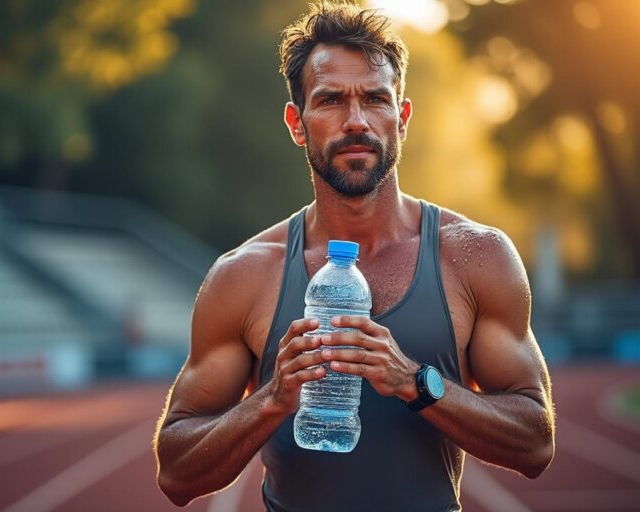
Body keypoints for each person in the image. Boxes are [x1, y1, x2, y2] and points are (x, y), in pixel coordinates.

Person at [154, 2, 555, 510]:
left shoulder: (476, 257)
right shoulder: (246, 274)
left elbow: (536, 445)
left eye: (375, 98)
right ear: (297, 123)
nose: (357, 121)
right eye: (330, 101)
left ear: (401, 117)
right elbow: (176, 474)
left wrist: (415, 382)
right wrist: (271, 400)